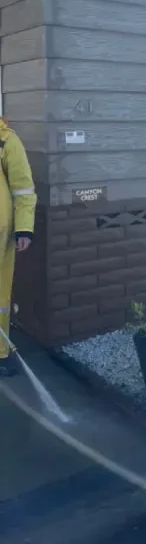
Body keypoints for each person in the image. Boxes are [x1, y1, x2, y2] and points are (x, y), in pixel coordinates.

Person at [0, 118, 36, 377]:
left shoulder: (6, 140)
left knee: (0, 295)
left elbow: (23, 189)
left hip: (1, 233)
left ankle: (0, 352)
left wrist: (24, 227)